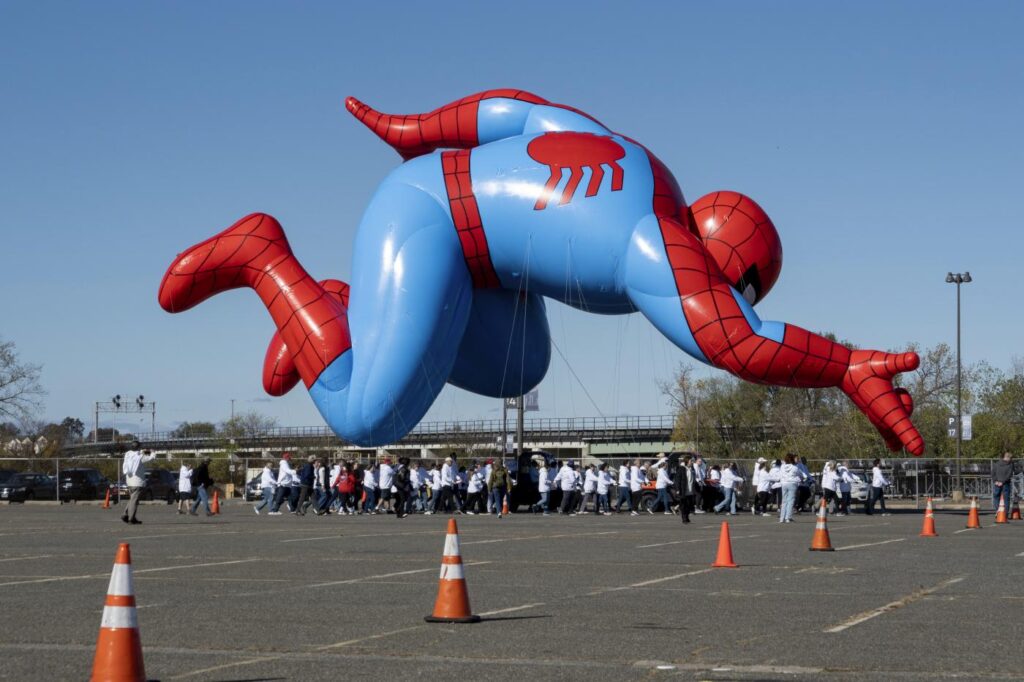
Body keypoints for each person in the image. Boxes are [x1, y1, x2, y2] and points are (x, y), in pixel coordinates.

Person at [121, 442, 157, 525]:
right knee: (134, 501)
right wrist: (153, 452)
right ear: (139, 448)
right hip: (137, 482)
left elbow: (136, 453)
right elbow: (151, 458)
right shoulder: (140, 457)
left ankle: (126, 514)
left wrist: (142, 451)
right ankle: (131, 518)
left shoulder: (128, 454)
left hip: (129, 480)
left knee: (132, 499)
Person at [778, 453, 805, 523]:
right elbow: (801, 475)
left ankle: (781, 518)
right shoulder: (795, 467)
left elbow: (780, 475)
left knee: (784, 501)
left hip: (784, 484)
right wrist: (802, 479)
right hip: (792, 483)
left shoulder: (782, 467)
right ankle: (788, 517)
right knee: (791, 500)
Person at [675, 455, 699, 523]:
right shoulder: (681, 469)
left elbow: (693, 479)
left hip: (691, 490)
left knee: (689, 505)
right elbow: (677, 480)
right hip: (684, 490)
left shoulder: (691, 469)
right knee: (683, 505)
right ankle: (684, 518)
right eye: (691, 461)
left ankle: (687, 517)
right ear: (687, 461)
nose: (692, 462)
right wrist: (677, 489)